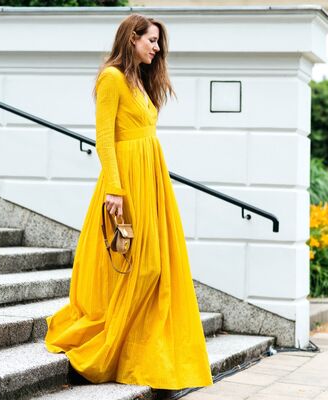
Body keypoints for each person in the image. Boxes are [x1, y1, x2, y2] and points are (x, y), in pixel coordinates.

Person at [43, 13, 214, 391]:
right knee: (140, 263)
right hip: (126, 183)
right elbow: (104, 138)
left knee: (155, 265)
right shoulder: (112, 78)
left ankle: (148, 348)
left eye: (158, 42)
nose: (157, 48)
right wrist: (115, 191)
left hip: (151, 180)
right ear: (132, 38)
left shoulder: (141, 80)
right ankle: (112, 344)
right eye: (151, 40)